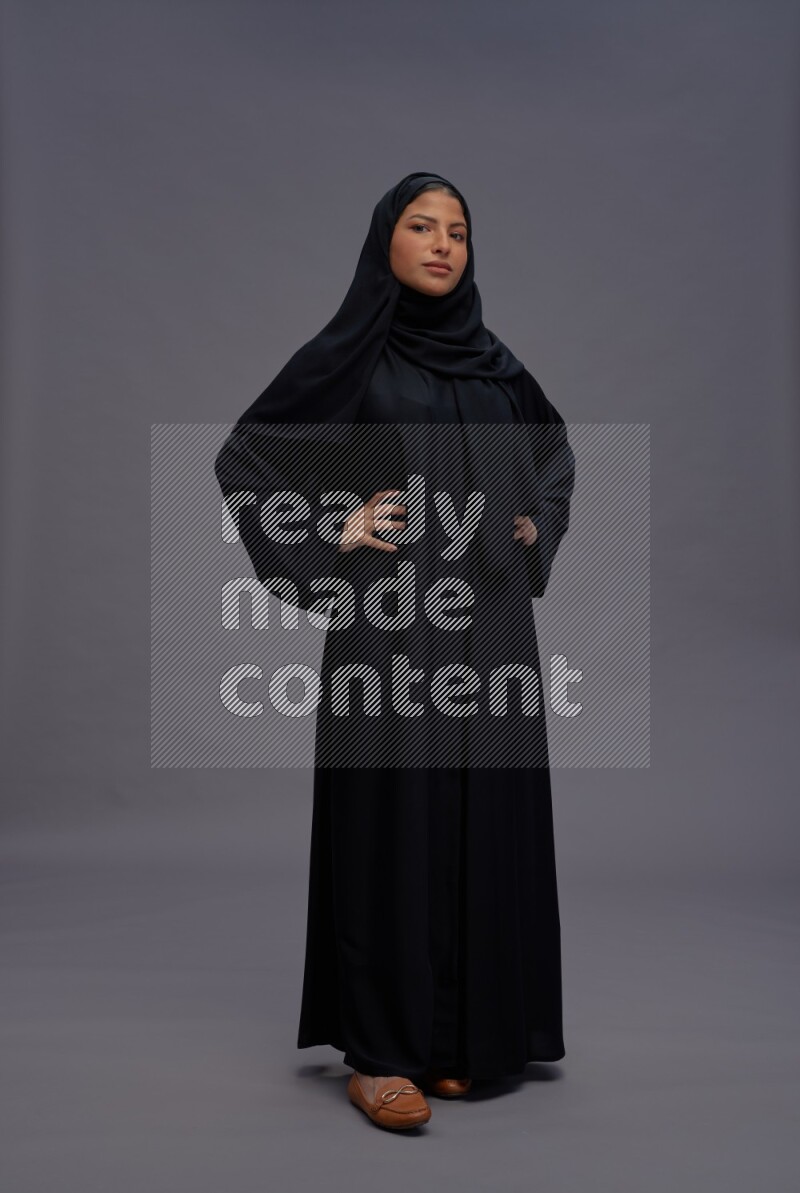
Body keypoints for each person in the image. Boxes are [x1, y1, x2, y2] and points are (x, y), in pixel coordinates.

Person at [215, 171, 575, 1131]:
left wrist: (535, 521)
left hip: (492, 631)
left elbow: (553, 456)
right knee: (392, 827)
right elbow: (248, 458)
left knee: (484, 820)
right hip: (392, 633)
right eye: (422, 225)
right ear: (387, 241)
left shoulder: (497, 368)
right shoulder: (352, 358)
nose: (443, 243)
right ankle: (380, 1053)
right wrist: (335, 521)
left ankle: (462, 1040)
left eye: (458, 229)